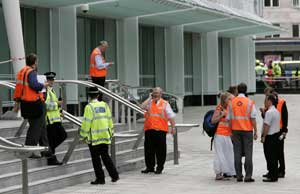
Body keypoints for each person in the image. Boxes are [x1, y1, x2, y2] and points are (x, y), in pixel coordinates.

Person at [13, 53, 50, 158]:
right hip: (35, 103)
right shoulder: (31, 72)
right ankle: (30, 151)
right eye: (37, 61)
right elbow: (34, 85)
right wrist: (44, 85)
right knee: (35, 128)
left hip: (26, 104)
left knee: (41, 127)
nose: (37, 63)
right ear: (34, 62)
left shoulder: (22, 71)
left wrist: (17, 102)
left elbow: (19, 89)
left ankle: (45, 150)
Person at [79, 87, 119, 185]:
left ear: (89, 96)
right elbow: (109, 119)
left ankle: (100, 179)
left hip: (94, 138)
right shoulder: (105, 105)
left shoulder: (89, 107)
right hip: (104, 136)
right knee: (106, 156)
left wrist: (82, 136)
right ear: (98, 95)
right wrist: (111, 132)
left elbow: (86, 123)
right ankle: (114, 175)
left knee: (96, 159)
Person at [140, 87, 176, 174]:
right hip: (149, 129)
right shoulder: (149, 103)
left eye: (157, 93)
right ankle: (150, 167)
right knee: (148, 150)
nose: (155, 94)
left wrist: (173, 128)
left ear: (161, 94)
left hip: (160, 130)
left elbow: (171, 117)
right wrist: (149, 98)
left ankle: (159, 167)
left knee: (160, 150)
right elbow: (142, 107)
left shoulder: (165, 104)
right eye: (154, 92)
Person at [227, 83, 257, 182]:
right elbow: (253, 118)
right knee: (248, 154)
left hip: (235, 131)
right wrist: (255, 131)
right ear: (246, 90)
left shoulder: (232, 102)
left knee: (237, 153)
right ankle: (248, 176)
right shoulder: (249, 102)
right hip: (247, 131)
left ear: (237, 90)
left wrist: (230, 131)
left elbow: (229, 119)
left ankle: (239, 176)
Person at [261, 90, 288, 178]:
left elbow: (285, 117)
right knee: (272, 153)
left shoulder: (281, 103)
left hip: (278, 131)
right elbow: (265, 118)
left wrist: (284, 131)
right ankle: (272, 171)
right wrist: (263, 113)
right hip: (274, 130)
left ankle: (281, 170)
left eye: (267, 96)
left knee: (279, 153)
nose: (265, 99)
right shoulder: (270, 108)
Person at [44, 72, 67, 165]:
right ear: (46, 80)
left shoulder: (51, 90)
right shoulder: (45, 90)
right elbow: (45, 105)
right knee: (58, 137)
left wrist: (59, 112)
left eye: (52, 79)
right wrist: (57, 104)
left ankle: (48, 152)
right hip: (50, 120)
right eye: (49, 79)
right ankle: (50, 156)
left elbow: (53, 104)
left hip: (55, 119)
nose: (51, 81)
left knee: (60, 136)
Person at [211, 92, 235, 180]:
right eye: (230, 99)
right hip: (219, 135)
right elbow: (213, 121)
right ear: (225, 100)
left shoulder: (230, 108)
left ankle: (227, 172)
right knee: (219, 154)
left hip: (228, 135)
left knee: (228, 153)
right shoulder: (219, 108)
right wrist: (222, 115)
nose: (232, 101)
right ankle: (218, 173)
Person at [261, 94, 281, 182]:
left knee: (270, 156)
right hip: (276, 135)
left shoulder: (269, 112)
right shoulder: (276, 111)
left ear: (270, 101)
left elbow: (266, 125)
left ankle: (272, 176)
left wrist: (263, 136)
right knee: (274, 156)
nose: (264, 102)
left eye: (265, 101)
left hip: (270, 137)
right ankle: (274, 174)